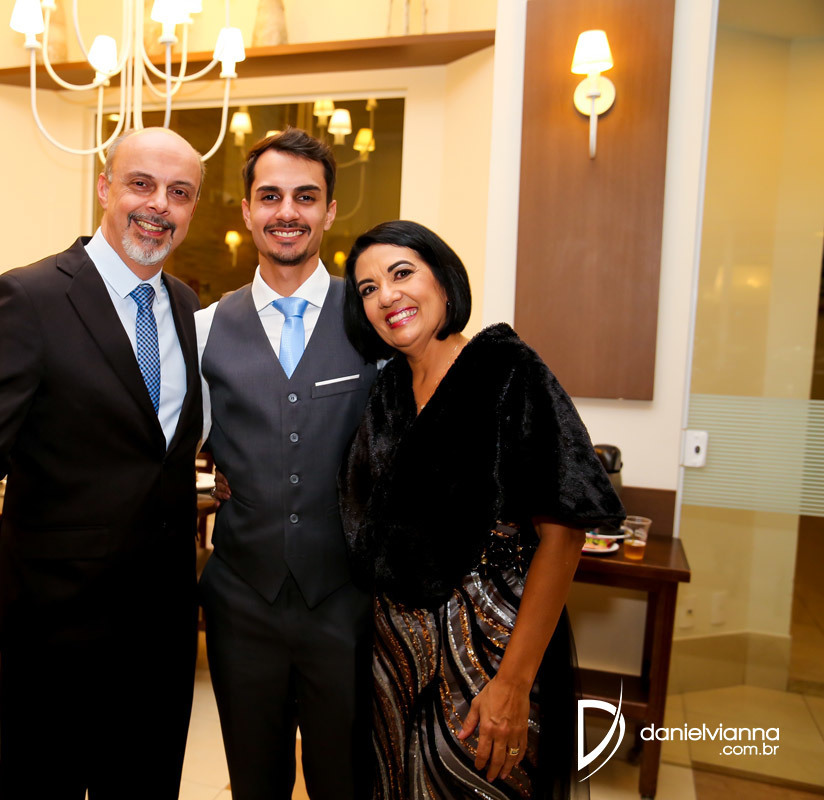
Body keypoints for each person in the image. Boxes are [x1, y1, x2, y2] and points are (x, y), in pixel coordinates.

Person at [0, 127, 206, 799]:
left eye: (179, 192)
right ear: (104, 188)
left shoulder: (185, 305)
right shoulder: (29, 297)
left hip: (163, 631)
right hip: (57, 626)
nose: (159, 204)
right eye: (141, 184)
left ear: (192, 209)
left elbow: (162, 449)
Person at [338, 220, 625, 799]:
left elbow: (564, 535)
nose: (386, 295)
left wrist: (513, 684)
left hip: (488, 652)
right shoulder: (387, 390)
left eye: (401, 273)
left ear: (444, 282)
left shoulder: (506, 371)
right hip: (394, 659)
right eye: (368, 288)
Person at [196, 128, 377, 800]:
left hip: (347, 601)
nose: (287, 211)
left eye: (306, 196)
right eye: (270, 196)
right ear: (247, 210)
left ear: (330, 211)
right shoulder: (205, 328)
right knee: (254, 782)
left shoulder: (373, 322)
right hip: (243, 601)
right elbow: (167, 444)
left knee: (346, 780)